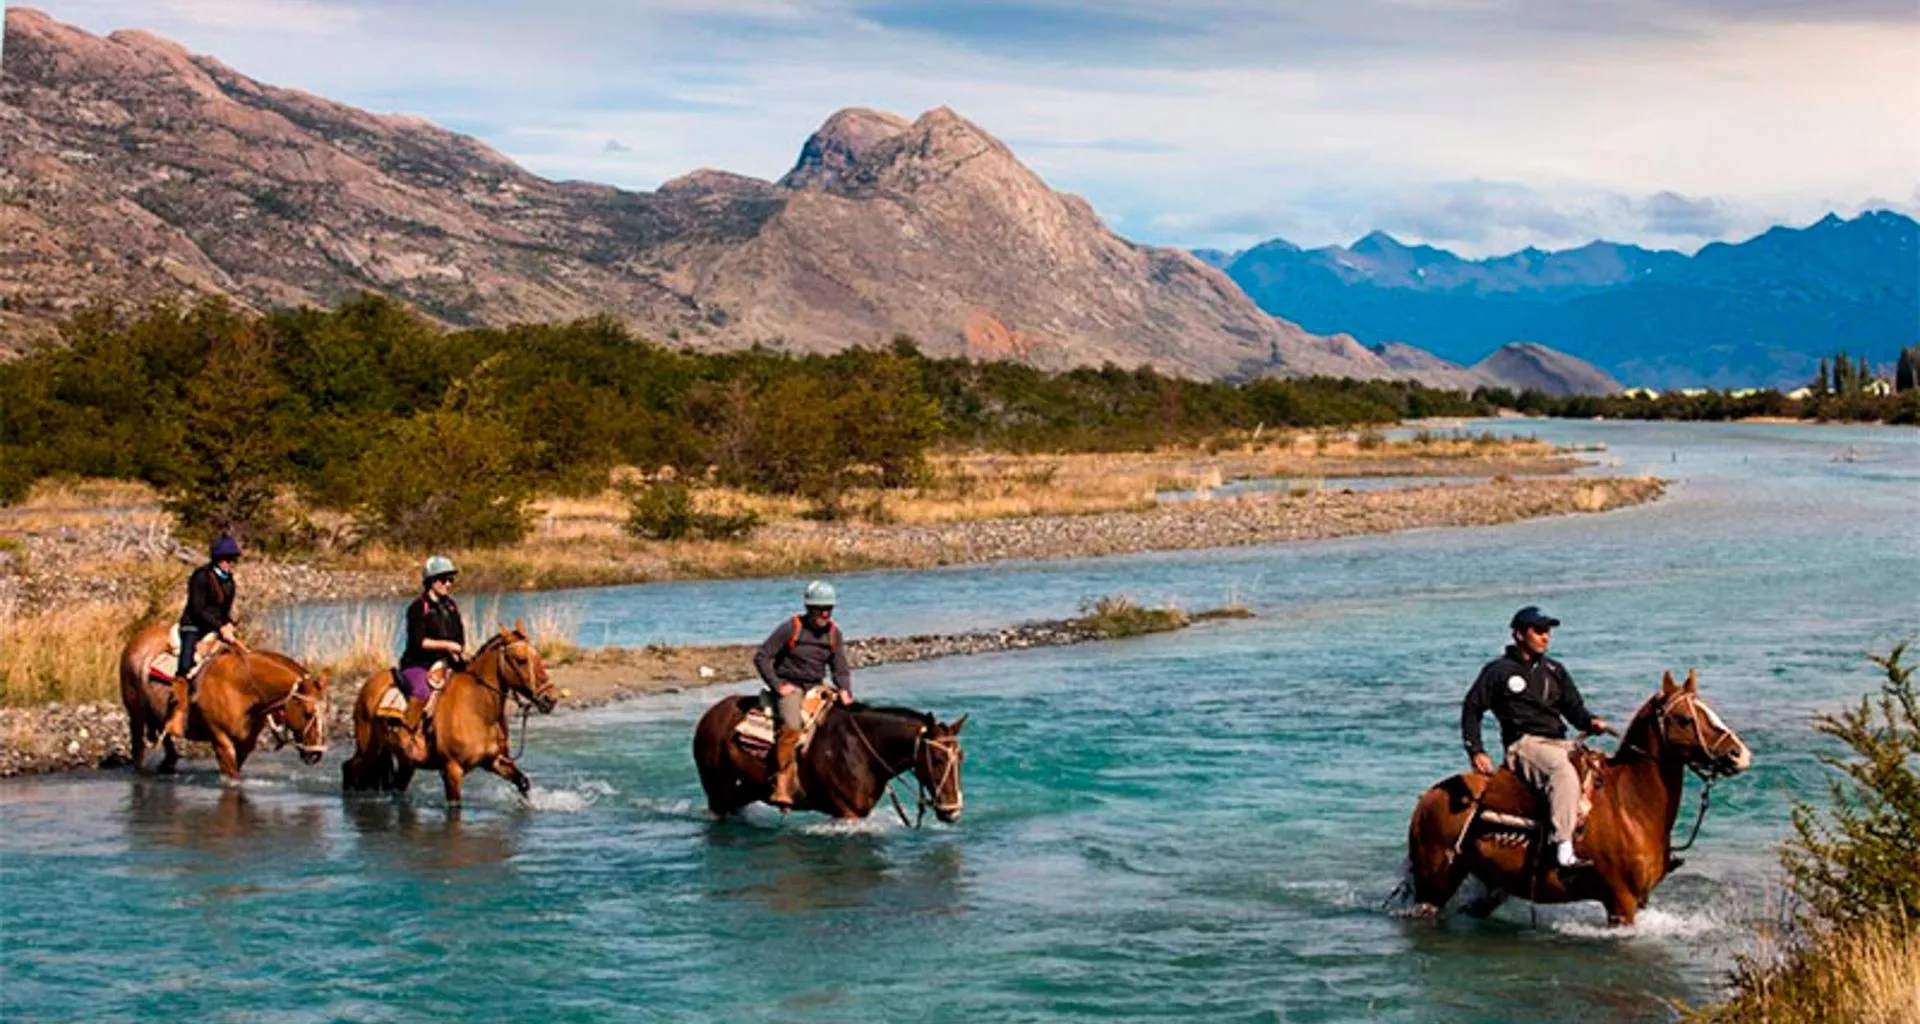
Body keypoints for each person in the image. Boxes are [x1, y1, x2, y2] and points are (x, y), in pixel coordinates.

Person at [1460, 606, 1612, 869]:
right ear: (1518, 634)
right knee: (1562, 772)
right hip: (1524, 744)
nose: (1546, 637)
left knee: (1605, 770)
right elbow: (1472, 709)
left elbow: (1574, 710)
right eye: (1539, 631)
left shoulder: (1555, 670)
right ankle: (1563, 847)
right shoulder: (1499, 671)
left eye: (1548, 631)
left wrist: (1590, 721)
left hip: (1561, 742)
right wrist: (1476, 750)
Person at [752, 580, 854, 808]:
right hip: (790, 687)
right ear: (810, 608)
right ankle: (781, 782)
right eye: (821, 608)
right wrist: (778, 685)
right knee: (793, 726)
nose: (826, 613)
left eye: (829, 608)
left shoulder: (834, 634)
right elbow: (762, 657)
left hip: (816, 688)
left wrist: (845, 690)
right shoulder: (792, 627)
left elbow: (840, 669)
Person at [165, 533, 246, 739]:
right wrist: (220, 626)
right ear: (219, 560)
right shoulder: (200, 577)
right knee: (185, 663)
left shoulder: (230, 583)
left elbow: (225, 610)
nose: (231, 564)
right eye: (228, 560)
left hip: (216, 628)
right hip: (193, 626)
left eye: (232, 560)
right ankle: (178, 712)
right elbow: (198, 608)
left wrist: (228, 625)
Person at [396, 555, 466, 763]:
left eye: (450, 580)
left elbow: (459, 637)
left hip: (447, 662)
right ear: (431, 581)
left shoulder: (451, 606)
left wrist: (456, 651)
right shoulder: (418, 607)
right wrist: (447, 646)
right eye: (443, 579)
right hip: (418, 663)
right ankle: (406, 735)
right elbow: (419, 642)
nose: (448, 584)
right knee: (422, 690)